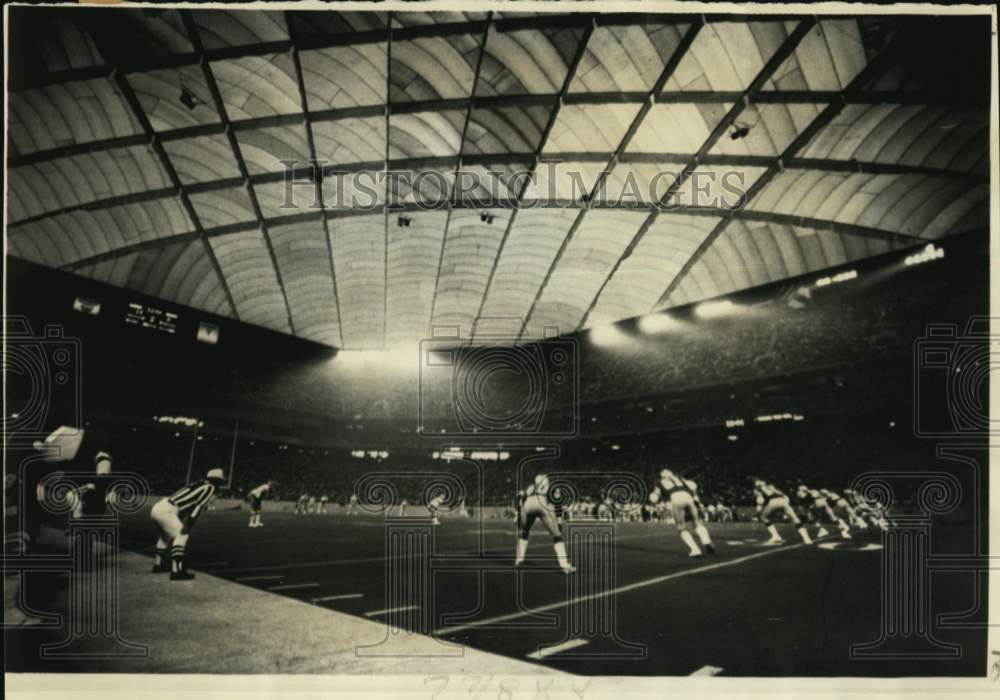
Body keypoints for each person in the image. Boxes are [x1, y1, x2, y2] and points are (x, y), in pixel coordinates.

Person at [151, 468, 226, 581]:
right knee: (182, 536)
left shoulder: (198, 483)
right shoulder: (210, 487)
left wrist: (180, 521)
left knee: (165, 537)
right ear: (216, 480)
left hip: (159, 506)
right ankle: (177, 572)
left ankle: (158, 565)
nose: (221, 484)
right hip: (168, 510)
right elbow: (197, 508)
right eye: (220, 481)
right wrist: (188, 526)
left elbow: (186, 506)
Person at [513, 474, 575, 573]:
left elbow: (519, 495)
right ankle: (565, 566)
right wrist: (558, 519)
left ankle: (519, 560)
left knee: (524, 533)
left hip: (528, 503)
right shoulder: (550, 487)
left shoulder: (531, 487)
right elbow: (557, 501)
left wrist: (517, 512)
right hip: (542, 503)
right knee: (557, 536)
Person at [649, 469, 714, 558]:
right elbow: (692, 488)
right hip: (688, 497)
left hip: (676, 499)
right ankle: (706, 541)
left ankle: (695, 550)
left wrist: (654, 497)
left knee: (681, 527)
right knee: (697, 523)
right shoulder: (679, 478)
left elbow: (654, 497)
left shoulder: (660, 482)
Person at [754, 479, 812, 545]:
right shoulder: (771, 487)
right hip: (783, 501)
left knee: (763, 517)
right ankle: (807, 539)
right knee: (795, 519)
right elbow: (784, 495)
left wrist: (758, 513)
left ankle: (776, 536)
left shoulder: (758, 490)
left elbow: (760, 501)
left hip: (773, 502)